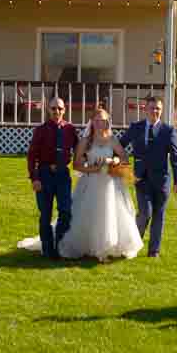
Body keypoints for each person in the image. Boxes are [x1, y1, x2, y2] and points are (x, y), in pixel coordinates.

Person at [58, 108, 143, 261]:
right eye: (96, 120)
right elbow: (76, 165)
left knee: (110, 213)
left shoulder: (112, 139)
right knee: (89, 214)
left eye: (103, 120)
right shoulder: (86, 141)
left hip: (110, 183)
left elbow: (124, 158)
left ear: (107, 122)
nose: (99, 123)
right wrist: (94, 168)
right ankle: (89, 245)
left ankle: (108, 246)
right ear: (92, 122)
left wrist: (115, 161)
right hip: (91, 182)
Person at [119, 95, 177, 258]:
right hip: (141, 179)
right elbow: (119, 146)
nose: (154, 111)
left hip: (162, 181)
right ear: (145, 109)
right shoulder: (136, 127)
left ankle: (153, 251)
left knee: (158, 216)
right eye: (152, 108)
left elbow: (175, 157)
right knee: (144, 213)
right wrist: (116, 163)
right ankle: (134, 244)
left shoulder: (168, 131)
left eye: (158, 109)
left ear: (161, 111)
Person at [27, 97, 79, 258]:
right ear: (48, 110)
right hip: (44, 175)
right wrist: (35, 178)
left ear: (65, 110)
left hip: (63, 175)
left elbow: (79, 150)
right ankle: (48, 250)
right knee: (46, 214)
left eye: (60, 108)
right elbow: (32, 156)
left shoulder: (70, 129)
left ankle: (60, 246)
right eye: (53, 108)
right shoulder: (41, 130)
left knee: (66, 211)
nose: (57, 111)